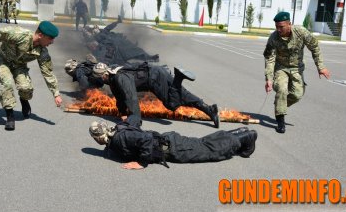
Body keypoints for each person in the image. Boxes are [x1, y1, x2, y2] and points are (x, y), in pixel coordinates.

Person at [0, 21, 63, 131]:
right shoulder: (17, 34)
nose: (52, 42)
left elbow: (48, 73)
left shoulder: (42, 51)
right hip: (2, 59)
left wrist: (56, 94)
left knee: (26, 88)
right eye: (50, 38)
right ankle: (10, 116)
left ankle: (24, 100)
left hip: (19, 65)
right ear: (41, 35)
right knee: (7, 83)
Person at [89, 116, 257, 169]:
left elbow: (145, 139)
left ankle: (245, 137)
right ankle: (239, 133)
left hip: (173, 148)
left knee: (211, 150)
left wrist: (141, 163)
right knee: (205, 142)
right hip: (169, 141)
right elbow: (134, 119)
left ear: (99, 137)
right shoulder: (119, 129)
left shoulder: (119, 138)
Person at [92, 62, 220, 128]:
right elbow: (119, 96)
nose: (100, 81)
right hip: (156, 73)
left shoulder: (120, 79)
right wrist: (123, 114)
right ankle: (210, 110)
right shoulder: (112, 74)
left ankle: (179, 77)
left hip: (155, 78)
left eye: (99, 78)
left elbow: (131, 97)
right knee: (184, 96)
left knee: (172, 104)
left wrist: (134, 121)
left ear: (103, 76)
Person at [263, 11, 331, 134]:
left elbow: (314, 47)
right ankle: (280, 121)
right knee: (282, 90)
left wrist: (320, 67)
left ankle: (279, 103)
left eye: (281, 27)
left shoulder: (301, 32)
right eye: (277, 27)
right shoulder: (273, 38)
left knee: (298, 94)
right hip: (281, 68)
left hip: (296, 68)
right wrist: (269, 79)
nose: (278, 29)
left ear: (290, 24)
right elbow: (269, 58)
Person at [83, 22, 159, 64]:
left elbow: (109, 26)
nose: (95, 29)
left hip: (122, 42)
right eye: (93, 30)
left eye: (95, 28)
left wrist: (117, 22)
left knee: (137, 50)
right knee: (127, 63)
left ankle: (150, 58)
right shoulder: (96, 38)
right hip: (117, 50)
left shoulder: (103, 31)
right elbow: (96, 47)